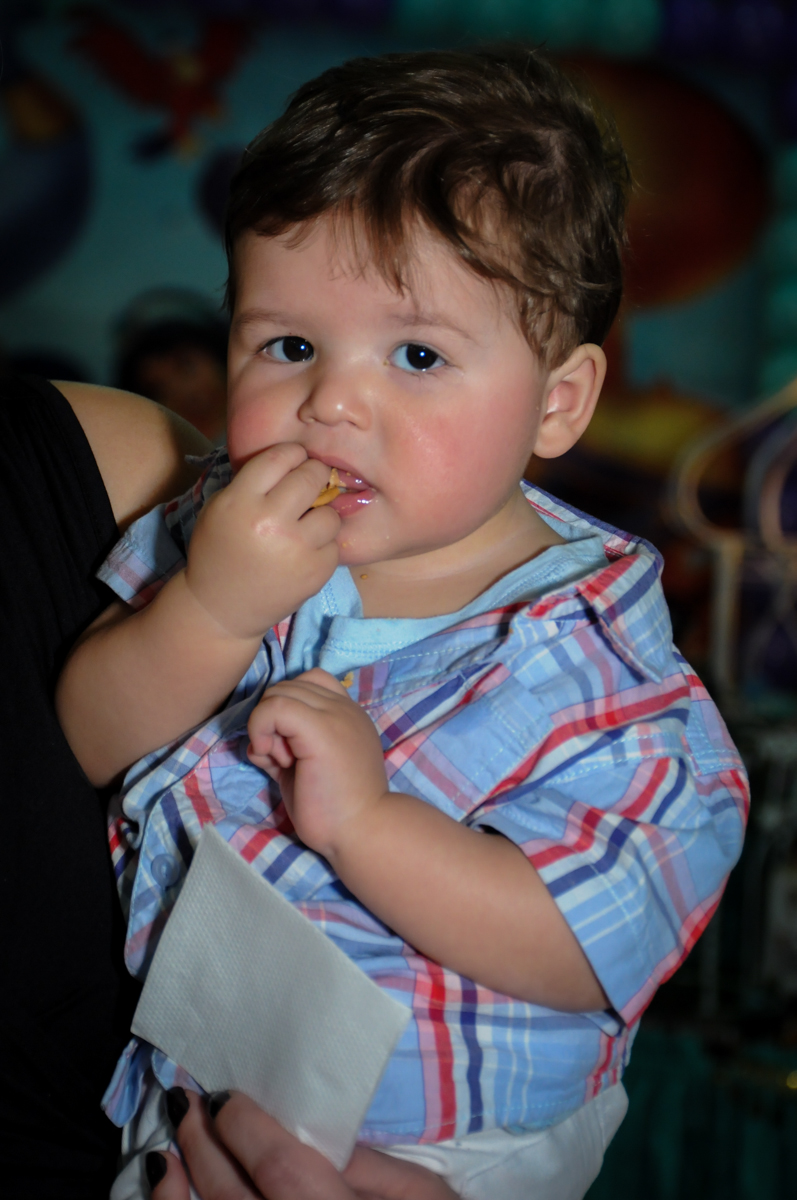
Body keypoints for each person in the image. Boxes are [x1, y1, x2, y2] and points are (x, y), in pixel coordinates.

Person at [57, 46, 749, 1200]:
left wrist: (369, 825)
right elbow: (77, 735)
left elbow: (583, 947)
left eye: (417, 354)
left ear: (557, 401)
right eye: (287, 346)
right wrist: (212, 610)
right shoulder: (212, 532)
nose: (332, 400)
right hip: (179, 1093)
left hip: (451, 1144)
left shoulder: (609, 683)